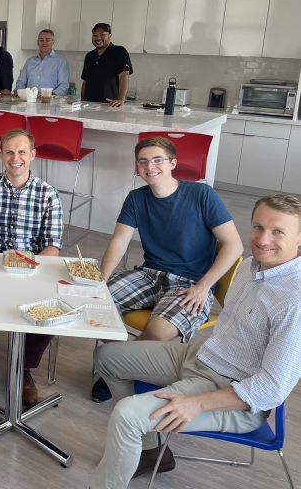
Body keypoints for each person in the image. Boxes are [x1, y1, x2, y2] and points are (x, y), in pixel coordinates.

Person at [90, 194, 301, 489]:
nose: (263, 239)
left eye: (278, 231)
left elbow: (271, 389)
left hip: (232, 393)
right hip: (204, 357)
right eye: (258, 227)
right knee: (107, 358)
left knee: (126, 416)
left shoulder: (294, 300)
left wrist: (197, 404)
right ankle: (151, 451)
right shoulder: (250, 267)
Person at [91, 136, 243, 403]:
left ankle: (115, 369)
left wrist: (204, 286)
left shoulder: (201, 194)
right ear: (137, 167)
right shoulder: (136, 198)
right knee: (94, 307)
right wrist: (100, 282)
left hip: (192, 282)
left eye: (158, 160)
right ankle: (123, 367)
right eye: (143, 161)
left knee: (158, 332)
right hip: (150, 273)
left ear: (173, 163)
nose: (151, 167)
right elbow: (119, 240)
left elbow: (234, 245)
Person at [0, 129, 62, 406]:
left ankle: (25, 367)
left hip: (33, 265)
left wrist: (27, 268)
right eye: (9, 152)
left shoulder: (48, 194)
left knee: (49, 308)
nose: (15, 158)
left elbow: (53, 244)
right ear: (1, 155)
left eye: (21, 152)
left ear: (32, 155)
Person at [81, 22, 132, 107]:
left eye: (102, 34)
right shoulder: (89, 56)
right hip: (89, 106)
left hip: (110, 106)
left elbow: (124, 76)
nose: (98, 38)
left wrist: (121, 100)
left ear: (110, 36)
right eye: (95, 35)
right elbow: (85, 81)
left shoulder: (119, 52)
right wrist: (82, 102)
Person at [15, 29, 70, 96]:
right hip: (29, 101)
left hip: (51, 103)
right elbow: (21, 82)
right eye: (41, 40)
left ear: (53, 42)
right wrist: (20, 93)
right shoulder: (30, 61)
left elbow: (64, 85)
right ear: (37, 42)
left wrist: (48, 95)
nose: (44, 42)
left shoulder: (61, 62)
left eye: (47, 40)